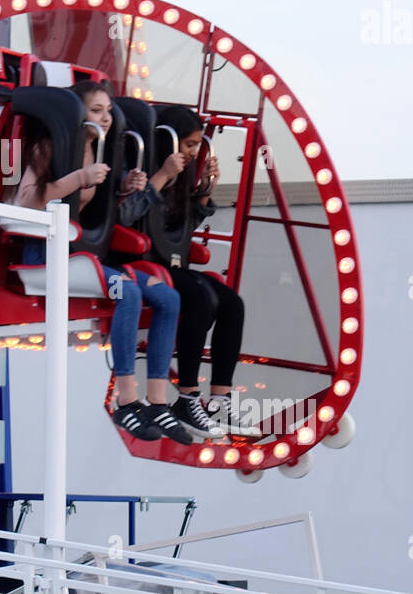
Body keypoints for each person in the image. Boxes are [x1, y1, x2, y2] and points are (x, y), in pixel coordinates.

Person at [13, 80, 188, 443]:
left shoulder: (102, 151)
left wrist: (128, 188)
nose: (106, 117)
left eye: (108, 111)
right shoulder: (49, 149)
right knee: (126, 292)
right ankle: (126, 400)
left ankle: (157, 401)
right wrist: (79, 178)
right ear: (75, 114)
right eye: (96, 111)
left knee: (168, 299)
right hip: (44, 255)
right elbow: (26, 201)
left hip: (83, 254)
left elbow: (110, 216)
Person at [120, 107, 252, 438]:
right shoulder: (141, 169)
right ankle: (188, 396)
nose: (193, 153)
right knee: (199, 299)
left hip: (172, 261)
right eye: (188, 145)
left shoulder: (182, 178)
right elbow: (126, 216)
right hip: (142, 262)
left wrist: (204, 191)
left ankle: (220, 398)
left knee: (232, 304)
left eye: (196, 146)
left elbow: (180, 230)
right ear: (169, 140)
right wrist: (162, 175)